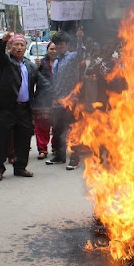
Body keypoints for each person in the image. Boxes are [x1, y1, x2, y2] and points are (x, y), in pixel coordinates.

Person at [0, 32, 52, 180]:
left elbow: (43, 82)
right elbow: (0, 54)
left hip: (24, 109)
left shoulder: (30, 66)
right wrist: (3, 41)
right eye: (16, 45)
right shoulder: (6, 62)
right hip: (7, 108)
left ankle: (20, 167)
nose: (19, 47)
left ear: (25, 48)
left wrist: (60, 94)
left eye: (22, 45)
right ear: (10, 47)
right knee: (3, 139)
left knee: (24, 139)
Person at [48, 29, 85, 169]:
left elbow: (81, 53)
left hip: (71, 101)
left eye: (61, 44)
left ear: (67, 45)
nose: (58, 47)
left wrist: (80, 39)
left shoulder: (72, 57)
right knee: (57, 130)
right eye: (56, 45)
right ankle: (59, 156)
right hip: (58, 101)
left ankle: (74, 159)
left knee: (73, 130)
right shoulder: (57, 60)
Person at [35, 41, 56, 159]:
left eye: (55, 49)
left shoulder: (62, 62)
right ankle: (42, 149)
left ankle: (56, 147)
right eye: (51, 49)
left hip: (58, 97)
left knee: (57, 125)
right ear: (47, 50)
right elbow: (34, 77)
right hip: (43, 97)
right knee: (42, 125)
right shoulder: (41, 63)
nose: (53, 51)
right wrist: (36, 67)